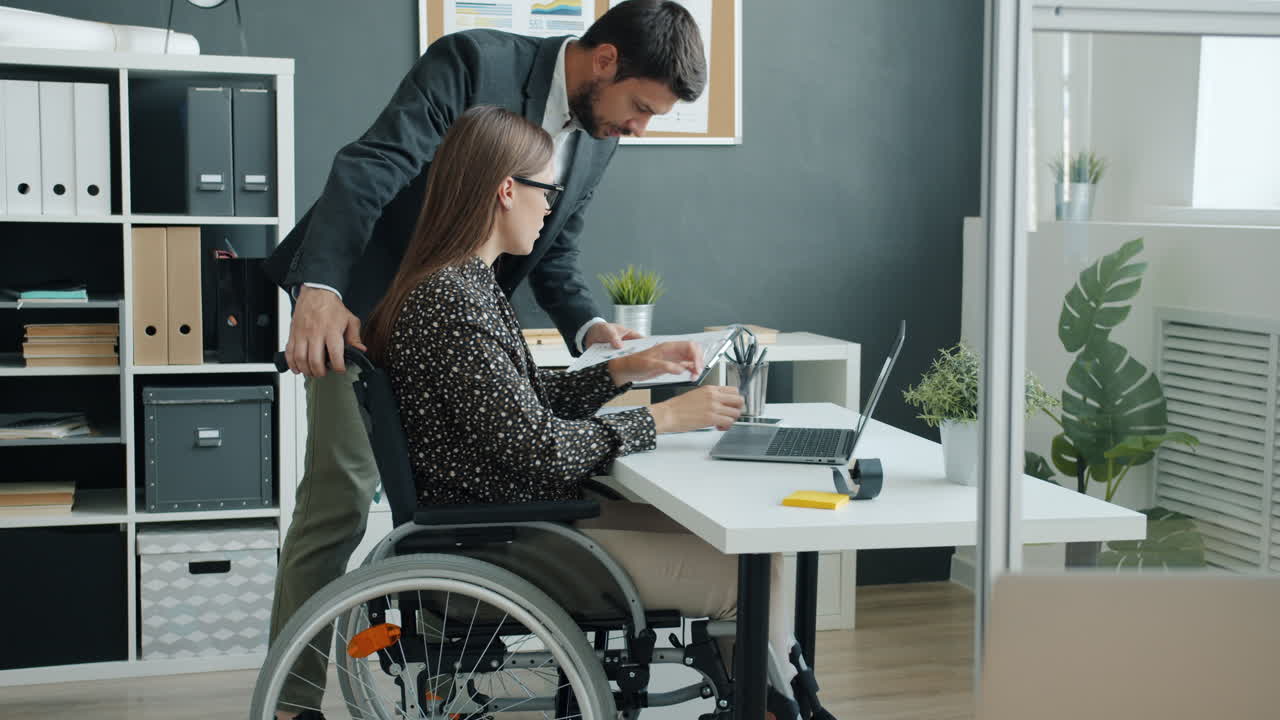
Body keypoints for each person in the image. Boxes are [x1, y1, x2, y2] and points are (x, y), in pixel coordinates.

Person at [263, 3, 706, 717]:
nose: (638, 128)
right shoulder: (475, 64)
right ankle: (290, 701)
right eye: (642, 108)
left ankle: (449, 643)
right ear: (606, 62)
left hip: (462, 319)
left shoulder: (598, 134)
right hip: (362, 306)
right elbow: (374, 165)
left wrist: (594, 333)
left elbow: (556, 246)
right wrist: (324, 286)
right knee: (339, 501)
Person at [359, 104, 804, 720]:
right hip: (502, 542)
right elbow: (539, 448)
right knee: (756, 574)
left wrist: (621, 370)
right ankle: (772, 705)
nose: (551, 207)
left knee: (760, 549)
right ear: (506, 189)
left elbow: (515, 405)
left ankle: (768, 705)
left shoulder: (455, 285)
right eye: (546, 190)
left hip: (499, 524)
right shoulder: (454, 301)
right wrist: (668, 418)